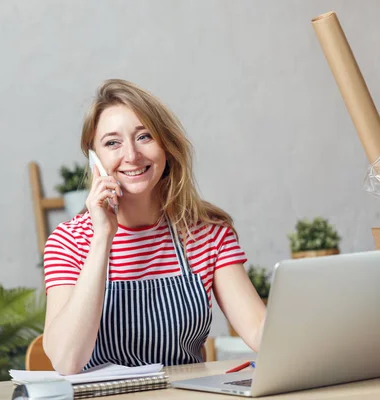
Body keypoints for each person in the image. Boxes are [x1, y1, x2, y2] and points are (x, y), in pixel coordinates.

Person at [42, 79, 266, 375]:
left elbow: (260, 333)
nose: (132, 155)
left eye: (145, 136)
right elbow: (66, 360)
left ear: (167, 145)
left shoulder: (208, 234)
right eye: (112, 143)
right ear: (94, 157)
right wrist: (102, 238)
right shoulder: (68, 242)